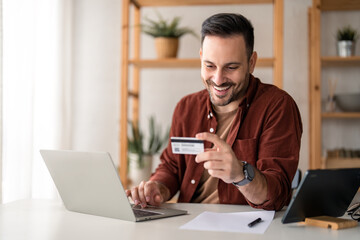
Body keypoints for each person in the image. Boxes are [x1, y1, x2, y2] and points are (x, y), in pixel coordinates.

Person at [126, 13, 302, 211]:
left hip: (248, 228)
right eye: (209, 66)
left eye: (231, 67)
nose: (218, 79)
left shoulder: (277, 106)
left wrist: (241, 174)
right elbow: (172, 167)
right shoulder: (186, 107)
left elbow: (277, 194)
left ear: (251, 62)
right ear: (201, 57)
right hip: (189, 223)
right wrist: (157, 188)